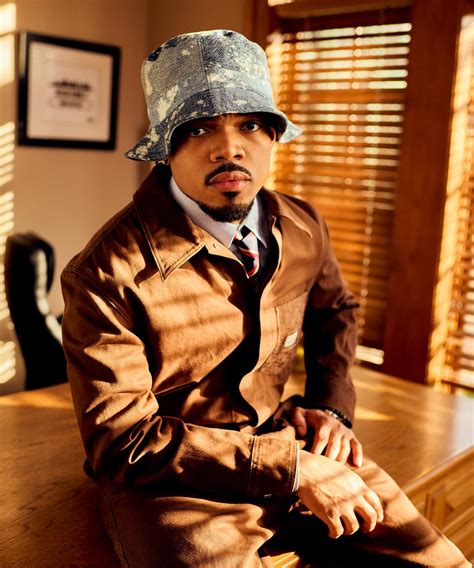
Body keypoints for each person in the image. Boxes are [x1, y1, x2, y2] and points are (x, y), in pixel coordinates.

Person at [61, 30, 469, 568]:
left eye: (250, 125)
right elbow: (122, 443)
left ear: (274, 136)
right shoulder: (103, 274)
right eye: (198, 128)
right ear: (164, 149)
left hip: (290, 438)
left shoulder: (303, 224)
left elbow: (336, 313)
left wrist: (330, 408)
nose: (229, 147)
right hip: (173, 482)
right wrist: (291, 469)